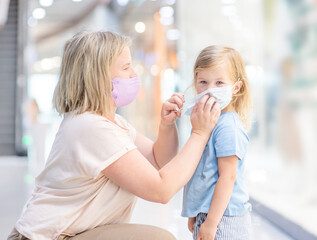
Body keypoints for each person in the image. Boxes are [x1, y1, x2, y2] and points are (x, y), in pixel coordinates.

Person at [8, 31, 221, 240]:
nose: (134, 75)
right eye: (126, 68)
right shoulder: (90, 127)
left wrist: (166, 126)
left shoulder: (112, 122)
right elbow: (161, 190)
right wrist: (200, 133)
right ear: (99, 77)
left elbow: (158, 161)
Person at [181, 45, 252, 240]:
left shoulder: (228, 127)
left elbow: (227, 178)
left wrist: (211, 223)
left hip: (224, 219)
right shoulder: (207, 122)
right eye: (203, 82)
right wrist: (196, 211)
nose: (210, 90)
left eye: (219, 82)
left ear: (235, 88)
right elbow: (203, 171)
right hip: (210, 213)